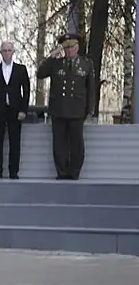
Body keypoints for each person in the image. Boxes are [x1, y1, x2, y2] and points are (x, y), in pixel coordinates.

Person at [36, 33, 97, 180]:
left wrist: (90, 110)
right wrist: (52, 56)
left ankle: (74, 172)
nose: (70, 50)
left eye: (72, 47)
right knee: (59, 143)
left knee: (77, 144)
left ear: (77, 47)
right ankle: (62, 172)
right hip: (59, 109)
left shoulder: (86, 64)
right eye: (67, 47)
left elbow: (91, 89)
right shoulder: (56, 63)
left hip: (77, 110)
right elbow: (40, 74)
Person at [0, 41, 31, 179]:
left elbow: (26, 91)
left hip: (15, 111)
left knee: (15, 142)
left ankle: (13, 172)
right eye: (4, 50)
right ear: (0, 53)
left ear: (13, 52)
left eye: (9, 50)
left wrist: (23, 110)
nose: (7, 53)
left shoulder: (21, 69)